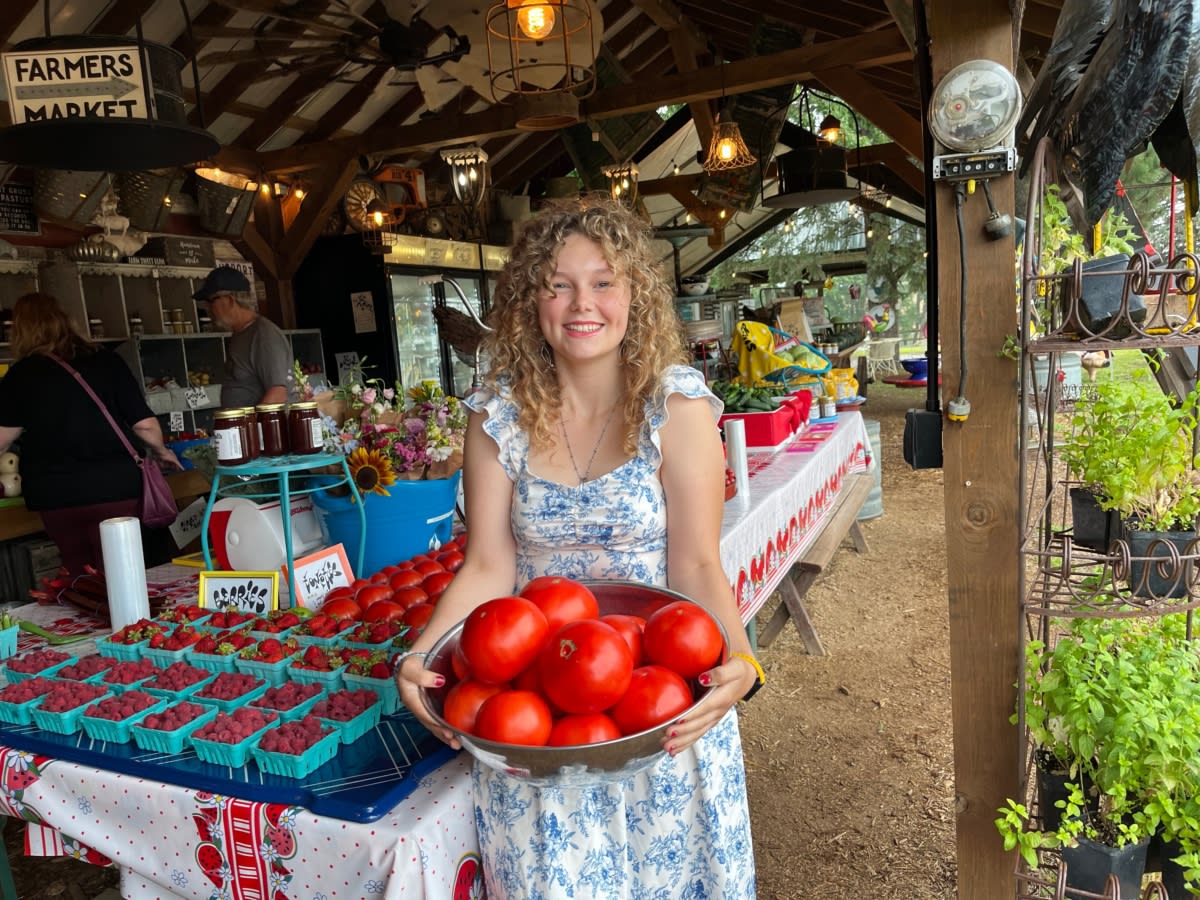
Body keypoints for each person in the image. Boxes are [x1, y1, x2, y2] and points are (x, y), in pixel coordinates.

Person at [397, 197, 760, 897]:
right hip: (537, 707)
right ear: (531, 301)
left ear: (634, 296)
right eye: (558, 284)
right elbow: (488, 564)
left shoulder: (676, 408)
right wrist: (421, 655)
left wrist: (741, 660)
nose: (580, 303)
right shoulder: (495, 416)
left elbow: (696, 563)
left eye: (602, 282)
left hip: (656, 705)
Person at [0, 293, 181, 573]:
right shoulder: (107, 362)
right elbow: (144, 425)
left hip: (55, 495)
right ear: (66, 321)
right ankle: (133, 618)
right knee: (125, 574)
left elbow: (2, 439)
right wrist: (161, 452)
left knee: (81, 576)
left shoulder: (20, 375)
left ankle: (92, 613)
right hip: (115, 488)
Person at [193, 265, 291, 408]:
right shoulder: (240, 334)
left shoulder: (264, 335)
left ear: (230, 300)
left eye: (211, 301)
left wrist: (251, 426)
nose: (208, 308)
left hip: (259, 428)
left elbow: (277, 394)